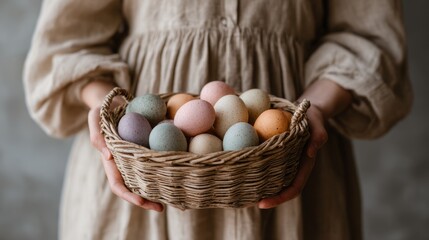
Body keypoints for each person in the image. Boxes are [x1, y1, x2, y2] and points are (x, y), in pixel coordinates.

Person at [23, 0, 412, 239]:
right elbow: (68, 41)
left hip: (289, 155)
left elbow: (367, 35)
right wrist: (106, 112)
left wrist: (311, 114)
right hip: (141, 163)